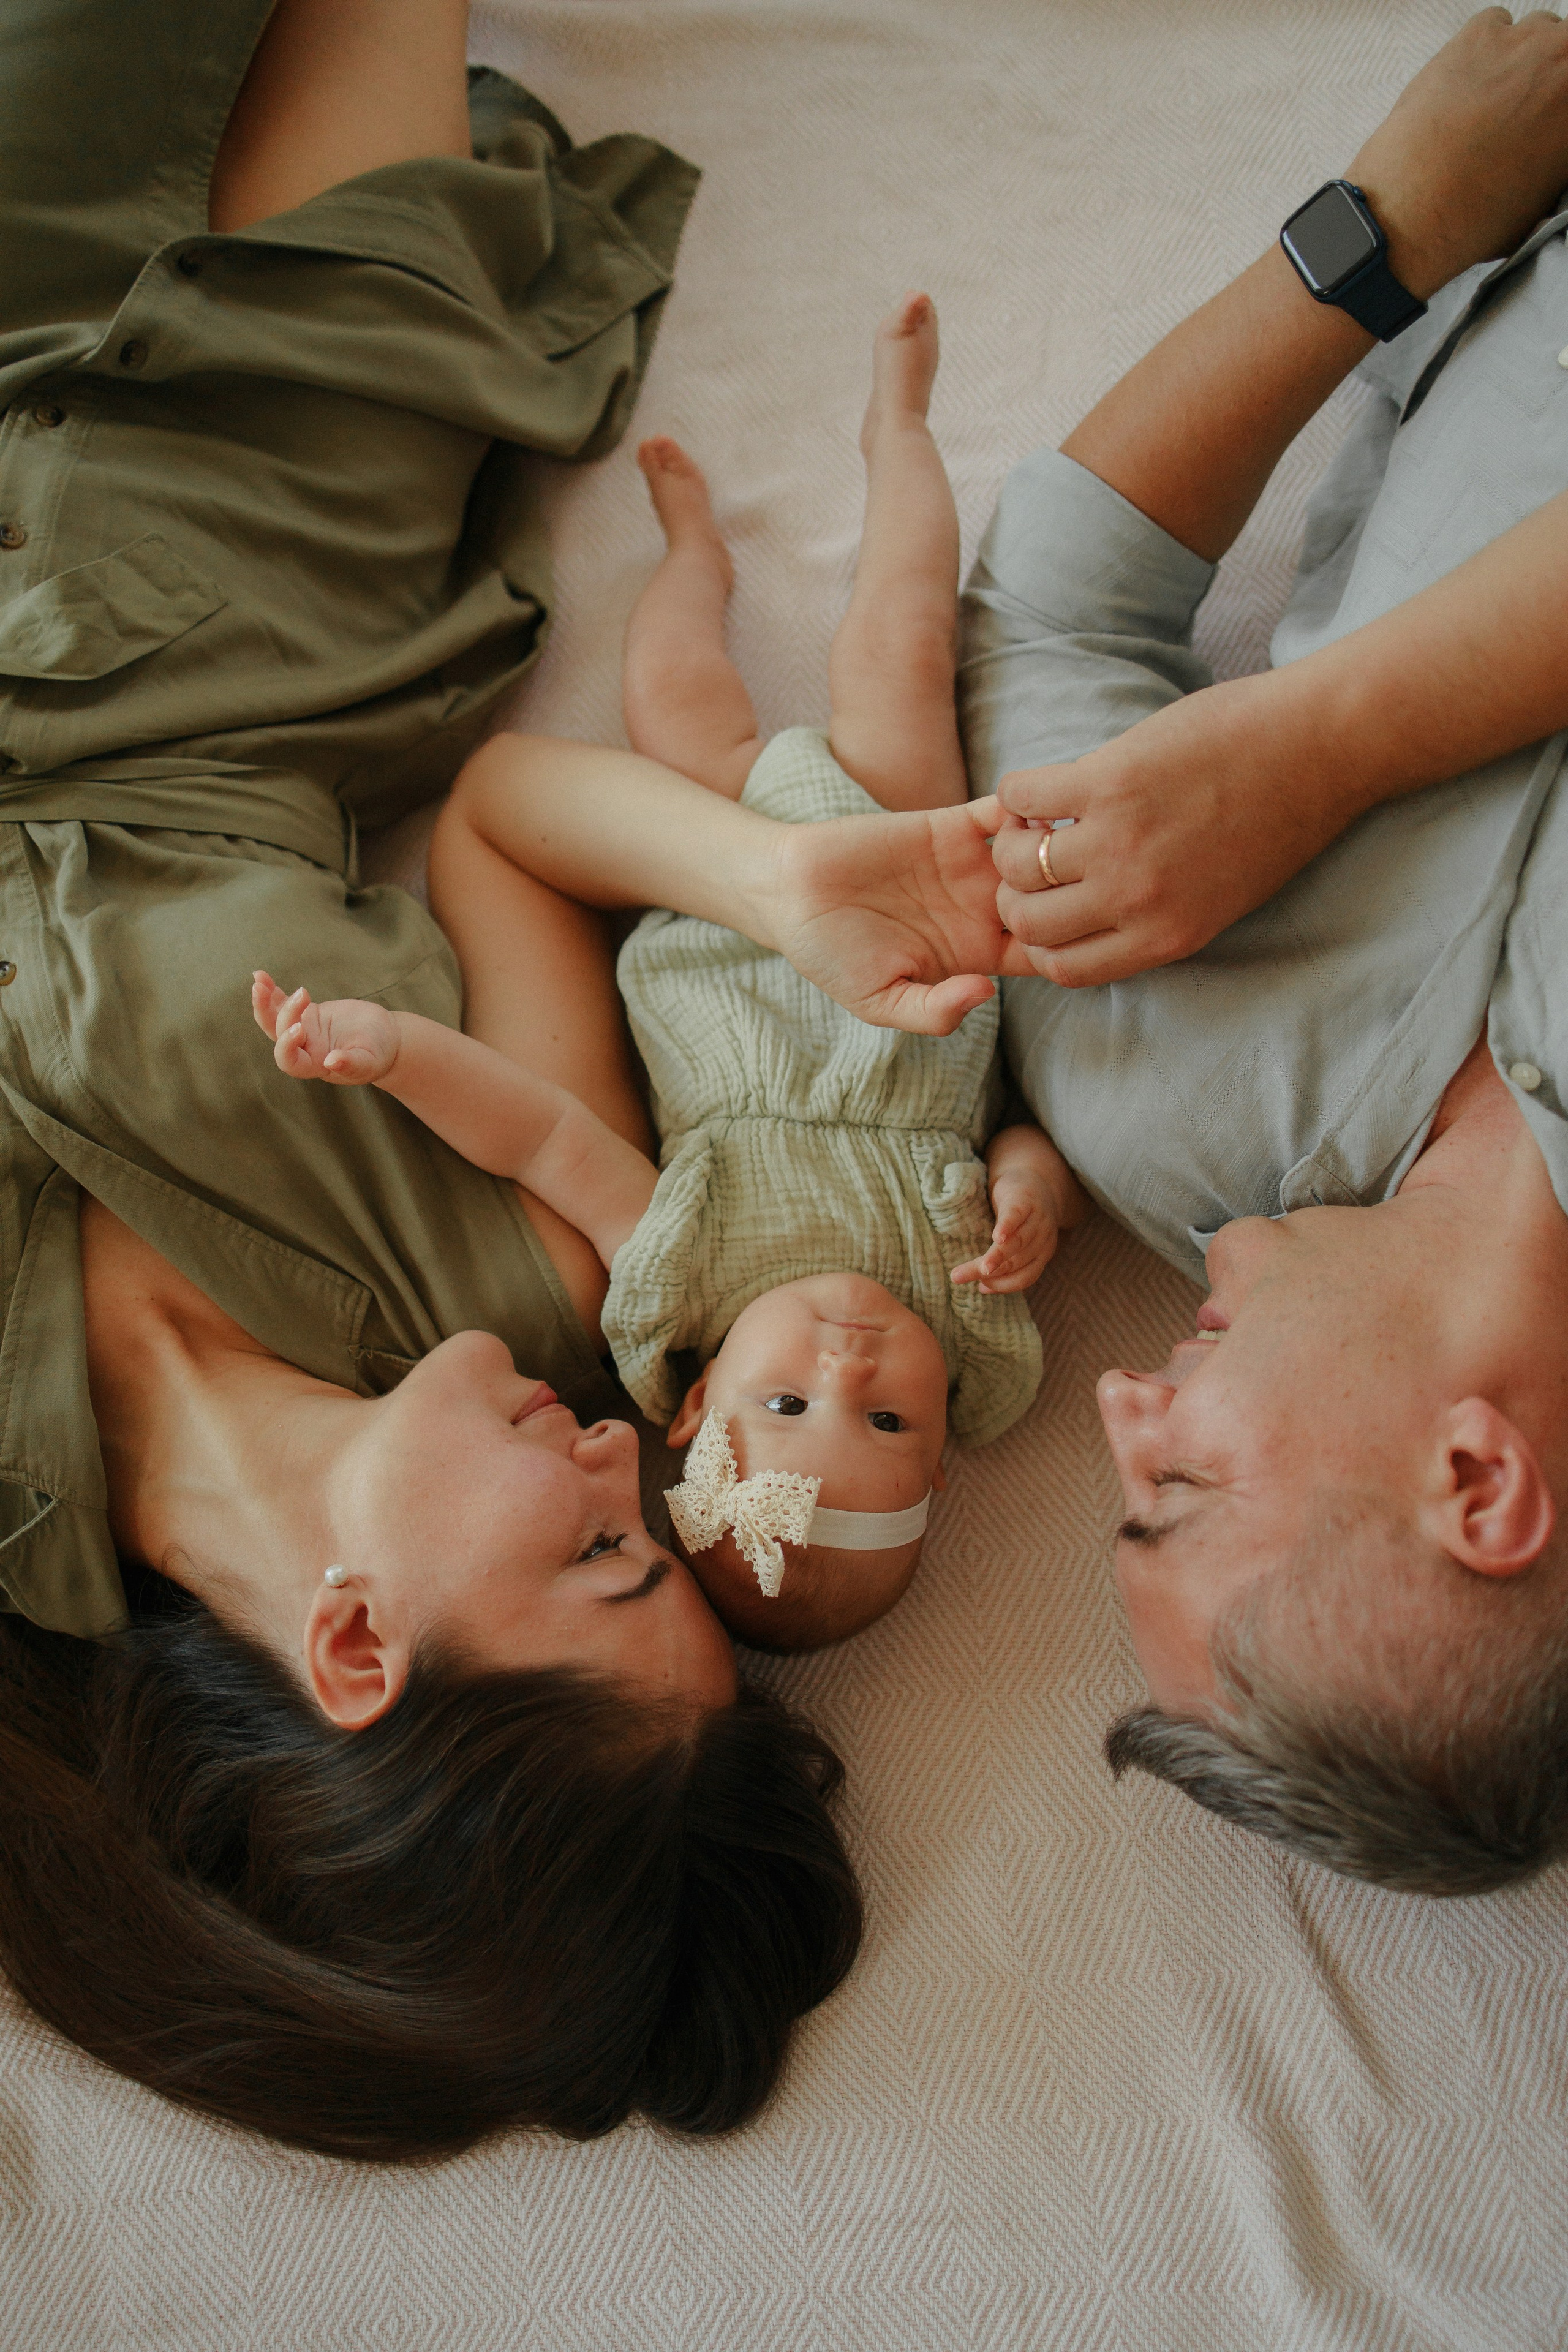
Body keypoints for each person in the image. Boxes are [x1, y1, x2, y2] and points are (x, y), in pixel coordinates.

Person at [449, 12, 1568, 1894]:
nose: (1116, 1407)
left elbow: (1056, 592)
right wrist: (1313, 752)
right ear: (1478, 1481)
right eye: (1181, 1491)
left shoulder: (1155, 1109)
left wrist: (1374, 234)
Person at [0, 0, 860, 2160]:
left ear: (362, 1650)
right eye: (652, 1534)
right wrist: (779, 872)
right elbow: (495, 819)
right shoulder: (548, 1274)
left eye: (596, 1566)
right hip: (256, 531)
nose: (618, 1467)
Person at [250, 296, 1084, 1652]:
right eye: (884, 1420)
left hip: (717, 898)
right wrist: (1028, 1196)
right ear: (940, 1458)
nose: (844, 1364)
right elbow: (1041, 1138)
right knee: (898, 643)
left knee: (674, 696)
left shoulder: (675, 1270)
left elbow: (538, 1132)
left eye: (787, 1405)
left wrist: (391, 1050)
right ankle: (899, 430)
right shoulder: (970, 1309)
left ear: (692, 1411)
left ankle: (692, 555)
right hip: (907, 916)